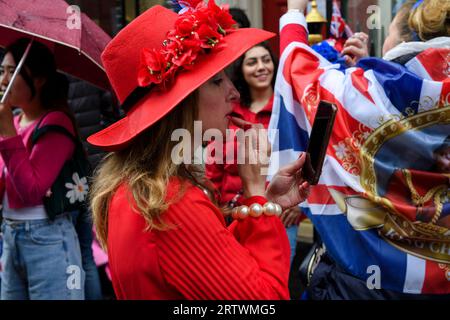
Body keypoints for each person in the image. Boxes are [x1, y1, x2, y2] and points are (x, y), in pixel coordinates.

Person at [88, 1, 310, 300]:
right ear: (180, 105)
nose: (234, 92)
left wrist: (266, 203)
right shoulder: (170, 202)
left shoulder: (143, 189)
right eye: (217, 81)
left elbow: (210, 257)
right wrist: (255, 186)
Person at [272, 0, 450, 299]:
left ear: (405, 41)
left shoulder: (367, 92)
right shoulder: (379, 90)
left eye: (390, 32)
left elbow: (301, 76)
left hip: (366, 285)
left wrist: (293, 15)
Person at [0, 39, 85, 299]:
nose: (3, 79)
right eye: (1, 70)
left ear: (38, 80)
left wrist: (6, 134)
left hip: (47, 240)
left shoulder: (56, 123)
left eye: (12, 71)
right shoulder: (14, 121)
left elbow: (31, 190)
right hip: (11, 237)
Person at [206, 42, 303, 263]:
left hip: (278, 214)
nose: (261, 67)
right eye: (252, 62)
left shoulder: (290, 112)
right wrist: (215, 211)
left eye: (266, 60)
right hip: (233, 218)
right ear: (241, 70)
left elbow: (309, 161)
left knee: (274, 283)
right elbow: (213, 169)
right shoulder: (228, 114)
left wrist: (301, 207)